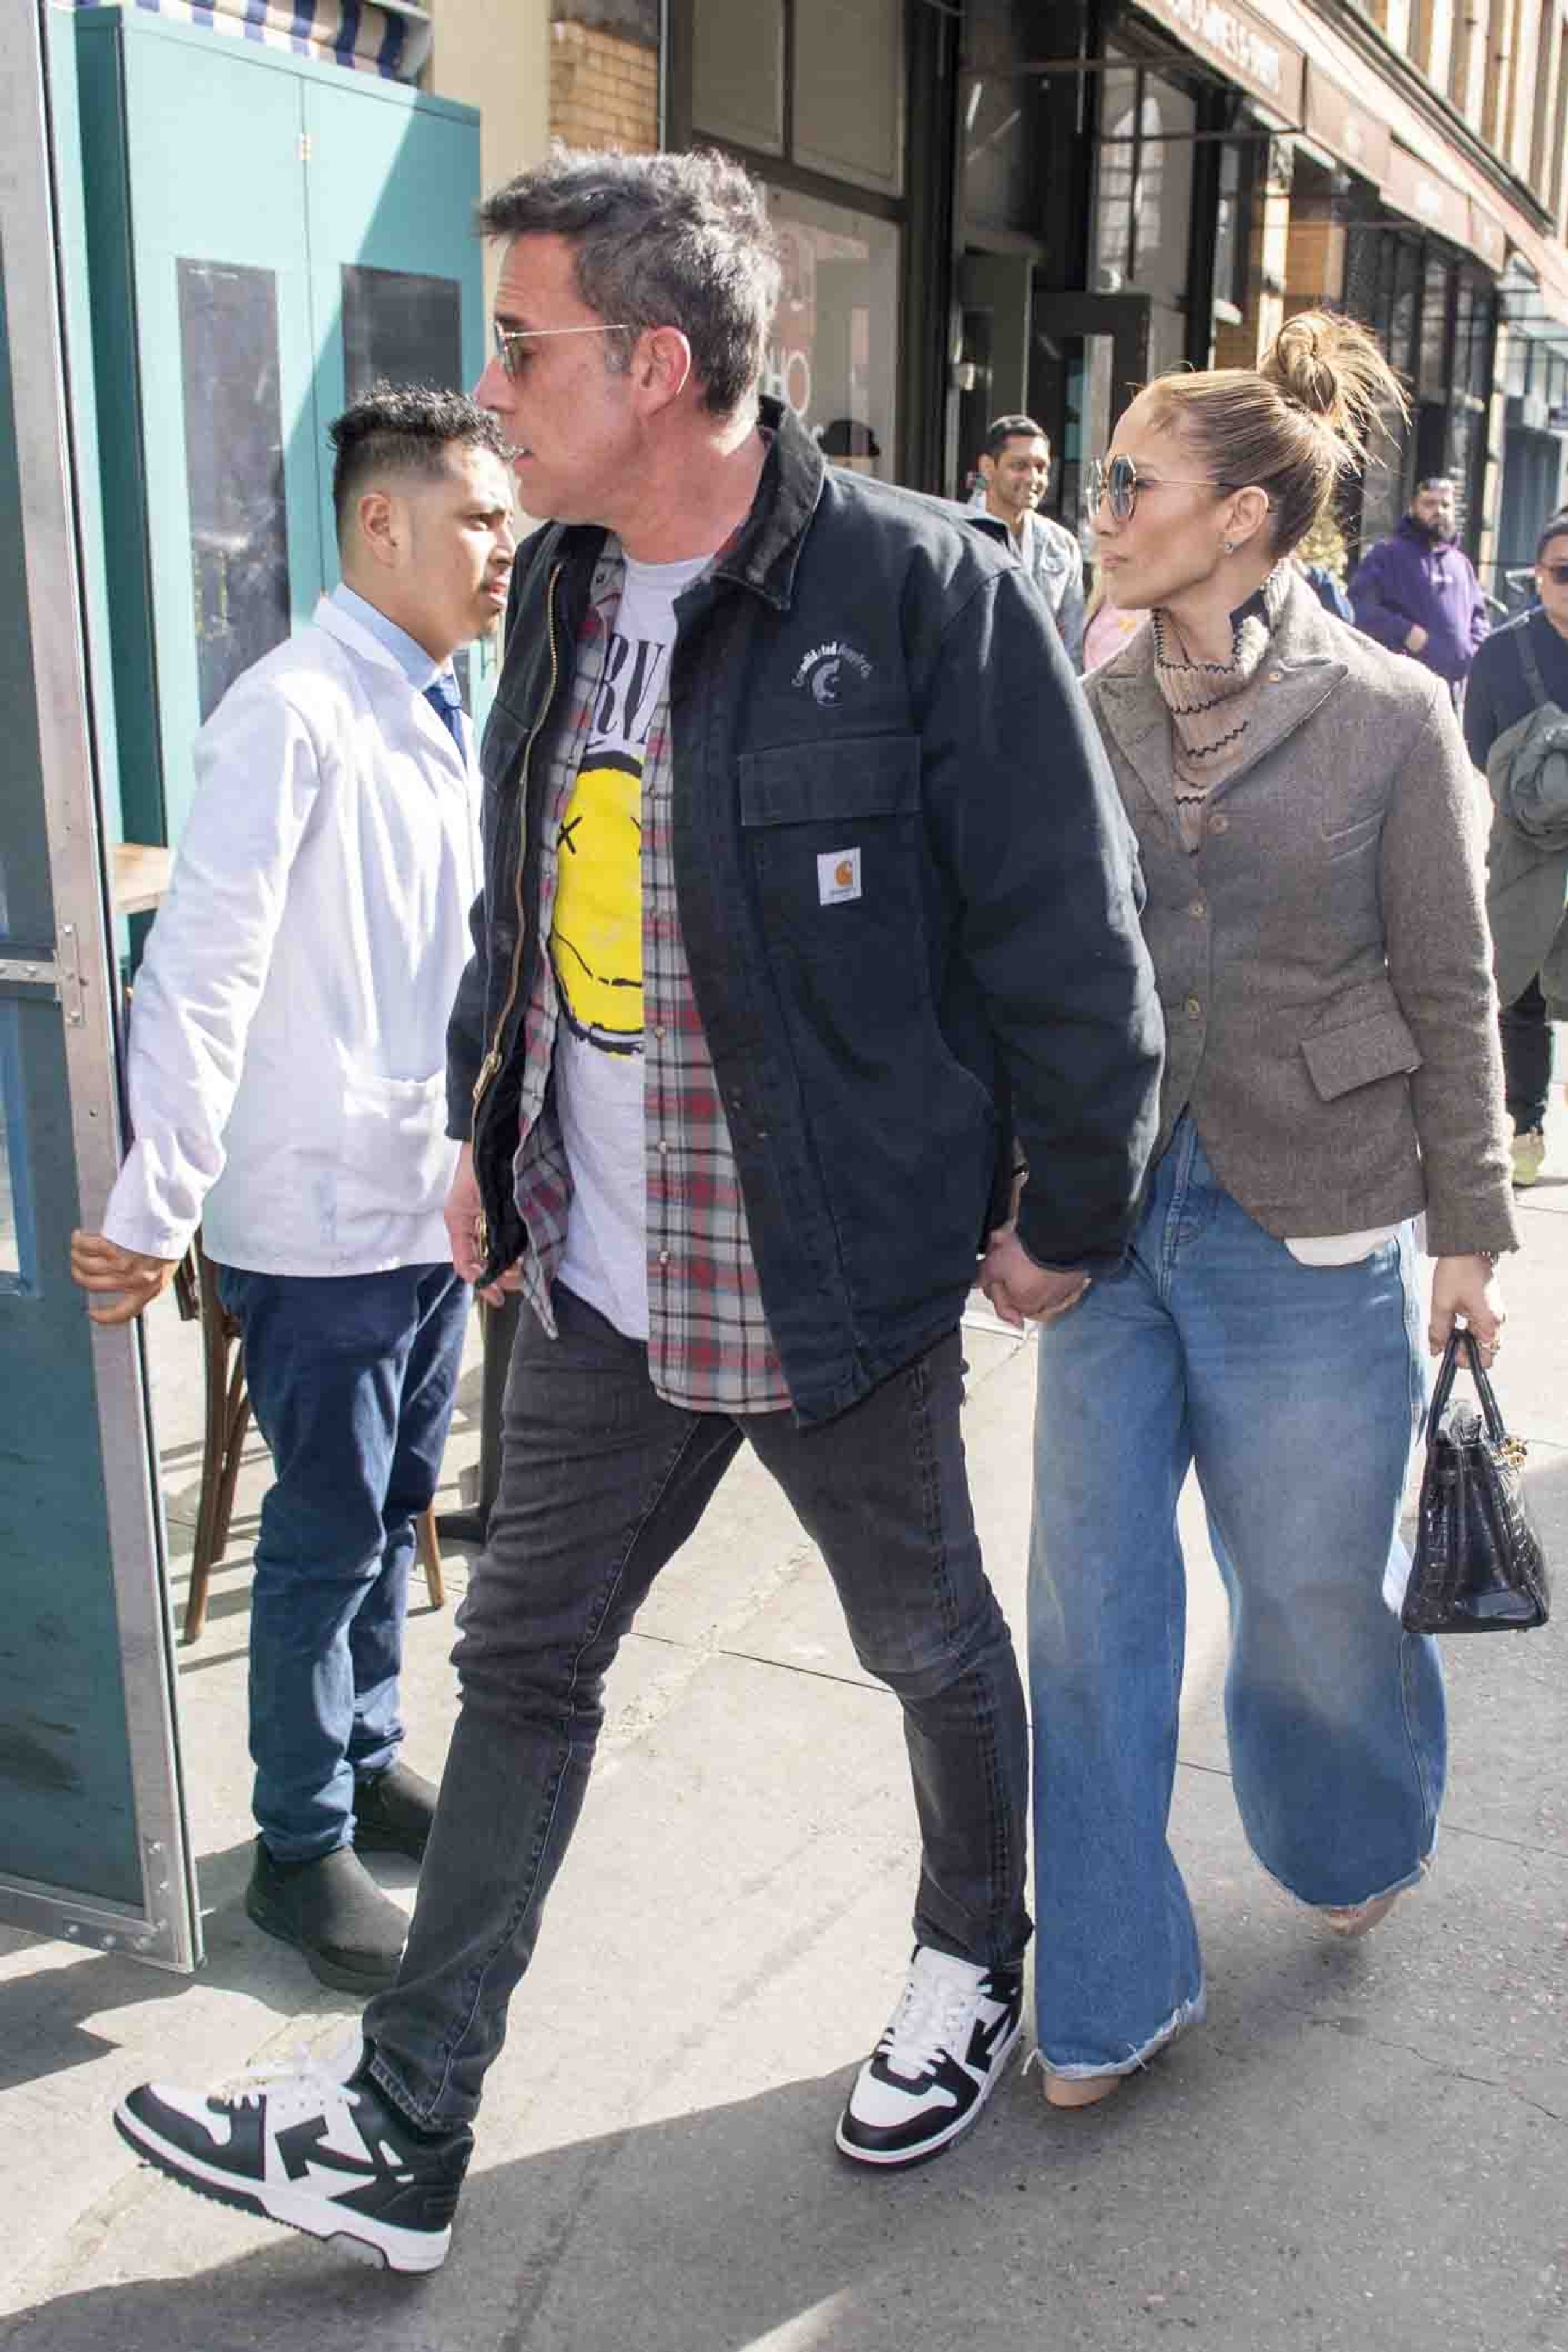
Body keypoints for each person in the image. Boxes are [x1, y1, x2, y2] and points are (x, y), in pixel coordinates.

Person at [111, 147, 1163, 2269]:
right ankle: (405, 2133)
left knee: (924, 1635)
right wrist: (489, 1138)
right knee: (523, 1670)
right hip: (597, 1277)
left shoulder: (923, 593)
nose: (491, 392)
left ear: (660, 367)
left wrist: (1073, 1209)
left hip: (834, 1272)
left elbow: (1074, 938)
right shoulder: (575, 593)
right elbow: (531, 901)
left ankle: (973, 1953)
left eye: (526, 347)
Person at [987, 313, 1516, 2110]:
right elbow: (1038, 965)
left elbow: (1449, 988)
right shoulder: (1089, 696)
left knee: (1302, 1601)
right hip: (1114, 1224)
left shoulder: (1386, 713)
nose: (1101, 499)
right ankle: (1104, 1990)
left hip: (1313, 1222)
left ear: (1233, 518)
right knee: (1087, 1614)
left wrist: (1468, 1237)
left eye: (1131, 478)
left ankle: (1346, 1817)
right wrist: (1011, 1189)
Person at [71, 387, 515, 1991]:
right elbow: (202, 968)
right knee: (325, 1535)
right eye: (475, 517)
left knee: (393, 1510)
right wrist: (153, 1204)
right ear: (379, 523)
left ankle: (368, 1749)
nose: (502, 546)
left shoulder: (442, 698)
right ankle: (296, 1847)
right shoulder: (294, 707)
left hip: (420, 1200)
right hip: (319, 1209)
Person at [1464, 513, 1568, 1188]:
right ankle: (1524, 1125)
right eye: (1563, 572)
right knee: (1521, 988)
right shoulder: (1502, 652)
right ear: (1537, 575)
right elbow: (1477, 742)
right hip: (1527, 842)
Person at [1348, 474, 1489, 693]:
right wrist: (1407, 633)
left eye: (1445, 505)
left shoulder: (1461, 564)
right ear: (1413, 508)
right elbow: (1360, 610)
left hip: (1455, 693)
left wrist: (1471, 652)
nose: (1439, 511)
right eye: (1430, 504)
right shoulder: (1387, 555)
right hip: (1402, 689)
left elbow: (1479, 620)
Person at [968, 413, 1087, 668]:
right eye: (1019, 466)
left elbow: (1073, 649)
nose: (1033, 478)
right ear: (988, 468)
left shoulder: (1062, 546)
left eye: (1041, 468)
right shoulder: (954, 536)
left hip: (1038, 696)